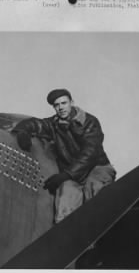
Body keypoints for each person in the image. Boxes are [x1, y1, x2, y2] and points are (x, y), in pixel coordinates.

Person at [12, 89, 116, 223]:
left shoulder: (89, 122)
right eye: (57, 105)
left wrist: (67, 174)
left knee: (94, 192)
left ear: (71, 102)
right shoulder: (54, 124)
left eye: (64, 103)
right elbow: (35, 123)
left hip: (96, 168)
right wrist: (22, 131)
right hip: (72, 174)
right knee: (65, 199)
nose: (61, 108)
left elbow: (90, 152)